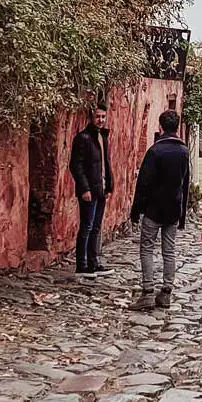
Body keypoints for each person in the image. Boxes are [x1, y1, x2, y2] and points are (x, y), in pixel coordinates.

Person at [129, 110, 191, 310]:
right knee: (169, 250)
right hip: (173, 208)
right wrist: (182, 214)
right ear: (177, 127)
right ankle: (166, 292)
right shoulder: (183, 151)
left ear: (160, 127)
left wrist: (136, 209)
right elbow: (185, 183)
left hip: (154, 208)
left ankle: (147, 291)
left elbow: (143, 183)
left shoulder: (155, 151)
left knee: (146, 248)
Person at [70, 106, 115, 276]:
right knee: (86, 227)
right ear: (91, 117)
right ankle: (81, 265)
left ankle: (93, 262)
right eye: (97, 116)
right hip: (89, 190)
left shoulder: (103, 137)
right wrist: (84, 188)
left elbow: (106, 164)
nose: (101, 120)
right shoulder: (83, 138)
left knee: (96, 227)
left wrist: (109, 186)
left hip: (101, 189)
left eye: (103, 117)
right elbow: (76, 165)